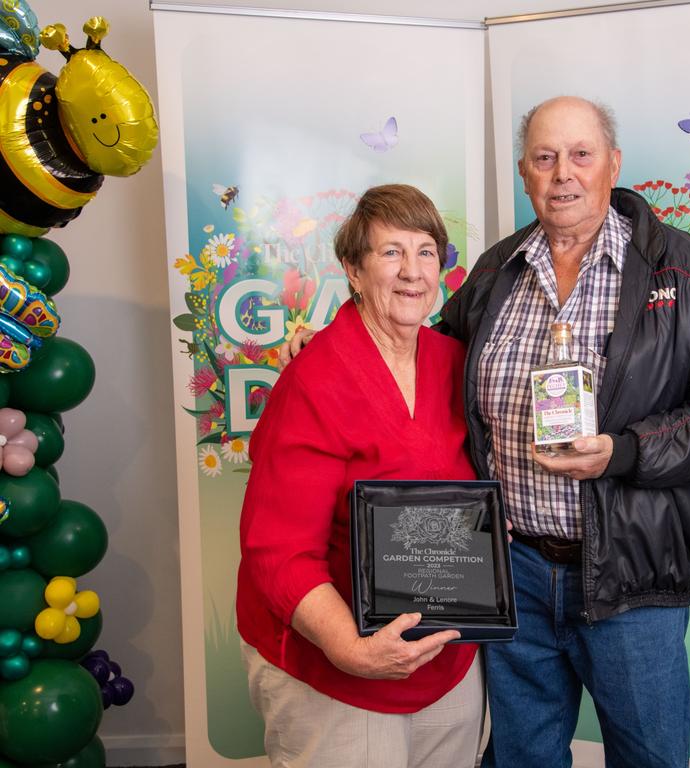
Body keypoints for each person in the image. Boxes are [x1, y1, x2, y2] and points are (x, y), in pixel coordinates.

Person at [284, 96, 690, 768]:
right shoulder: (498, 271)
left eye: (581, 155)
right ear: (524, 172)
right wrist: (337, 338)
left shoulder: (682, 272)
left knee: (649, 759)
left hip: (630, 578)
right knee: (524, 757)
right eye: (545, 158)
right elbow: (426, 355)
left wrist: (622, 453)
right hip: (510, 575)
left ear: (612, 165)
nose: (563, 173)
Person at [236, 184, 484, 768]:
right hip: (335, 663)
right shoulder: (313, 379)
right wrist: (351, 647)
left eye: (426, 252)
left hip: (447, 658)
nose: (412, 272)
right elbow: (277, 549)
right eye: (391, 253)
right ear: (352, 268)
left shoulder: (455, 362)